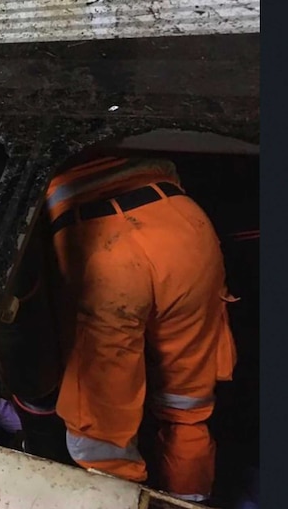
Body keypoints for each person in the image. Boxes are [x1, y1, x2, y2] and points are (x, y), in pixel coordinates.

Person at [45, 155, 237, 502]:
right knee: (187, 413)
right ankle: (191, 500)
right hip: (181, 225)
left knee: (104, 442)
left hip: (98, 244)